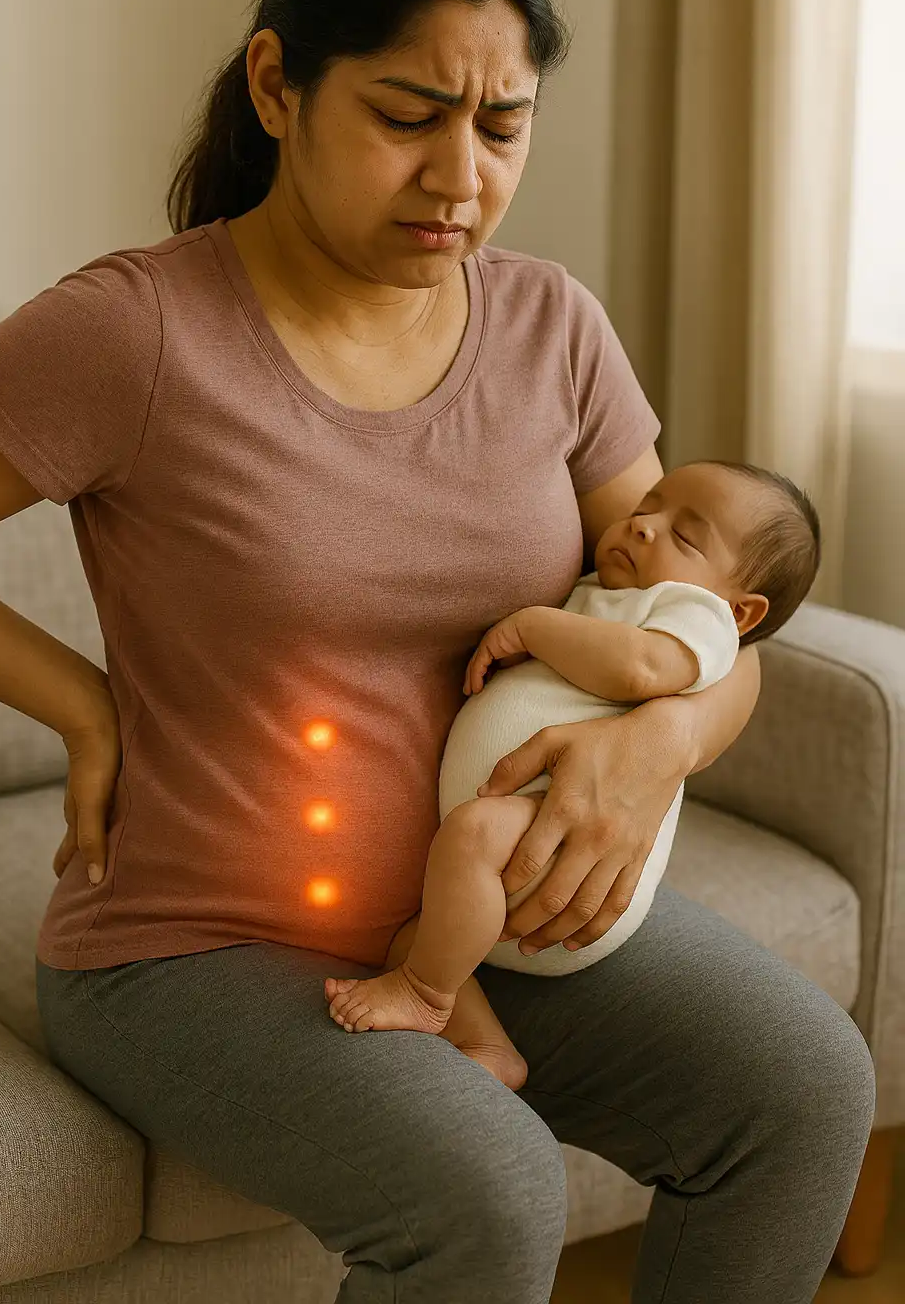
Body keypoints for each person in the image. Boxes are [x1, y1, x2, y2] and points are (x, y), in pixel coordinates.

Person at [0, 0, 874, 1303]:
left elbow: (709, 629)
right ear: (278, 85)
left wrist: (662, 741)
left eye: (504, 122)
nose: (460, 176)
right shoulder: (137, 334)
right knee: (486, 1190)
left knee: (801, 1086)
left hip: (479, 922)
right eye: (407, 116)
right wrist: (85, 711)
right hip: (195, 942)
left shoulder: (553, 329)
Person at [324, 460, 821, 1092]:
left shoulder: (694, 617)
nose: (643, 527)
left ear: (742, 611)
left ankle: (426, 992)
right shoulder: (609, 592)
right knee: (409, 932)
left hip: (562, 856)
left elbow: (642, 670)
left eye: (686, 536)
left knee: (472, 840)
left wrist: (535, 625)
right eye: (647, 507)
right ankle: (484, 1043)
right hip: (508, 860)